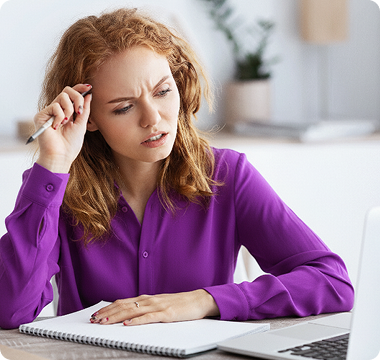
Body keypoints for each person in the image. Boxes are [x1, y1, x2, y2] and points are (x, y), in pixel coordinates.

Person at [0, 8, 354, 330]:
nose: (153, 119)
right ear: (88, 118)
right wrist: (54, 165)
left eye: (163, 91)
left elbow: (332, 282)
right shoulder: (56, 190)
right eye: (124, 107)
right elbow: (9, 310)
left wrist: (204, 300)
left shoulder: (227, 174)